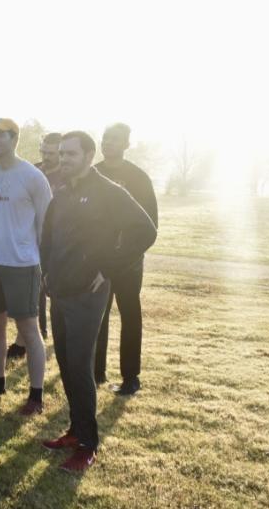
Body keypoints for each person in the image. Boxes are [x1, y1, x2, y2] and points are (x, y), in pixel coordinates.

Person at [40, 131, 156, 473]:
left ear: (89, 156)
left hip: (87, 296)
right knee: (65, 364)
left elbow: (145, 231)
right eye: (61, 154)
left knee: (80, 367)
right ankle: (76, 431)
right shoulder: (61, 191)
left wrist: (109, 267)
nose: (63, 159)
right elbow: (48, 236)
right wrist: (47, 271)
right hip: (59, 291)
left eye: (71, 154)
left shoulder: (109, 191)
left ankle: (88, 445)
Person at [0, 118, 52, 420]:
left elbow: (46, 224)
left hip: (23, 264)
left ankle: (35, 395)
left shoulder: (32, 177)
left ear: (14, 139)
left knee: (28, 329)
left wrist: (44, 264)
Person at [94, 123, 159, 394]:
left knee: (130, 314)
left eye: (115, 139)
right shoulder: (93, 173)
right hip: (98, 258)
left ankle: (131, 377)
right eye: (105, 138)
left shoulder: (138, 177)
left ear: (126, 144)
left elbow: (150, 224)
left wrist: (126, 254)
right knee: (98, 313)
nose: (108, 142)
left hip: (129, 261)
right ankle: (95, 372)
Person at [8, 132, 63, 357]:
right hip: (31, 240)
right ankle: (25, 340)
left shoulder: (67, 175)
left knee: (56, 291)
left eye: (52, 153)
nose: (46, 157)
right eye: (44, 152)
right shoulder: (31, 171)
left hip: (59, 240)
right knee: (31, 292)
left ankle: (59, 337)